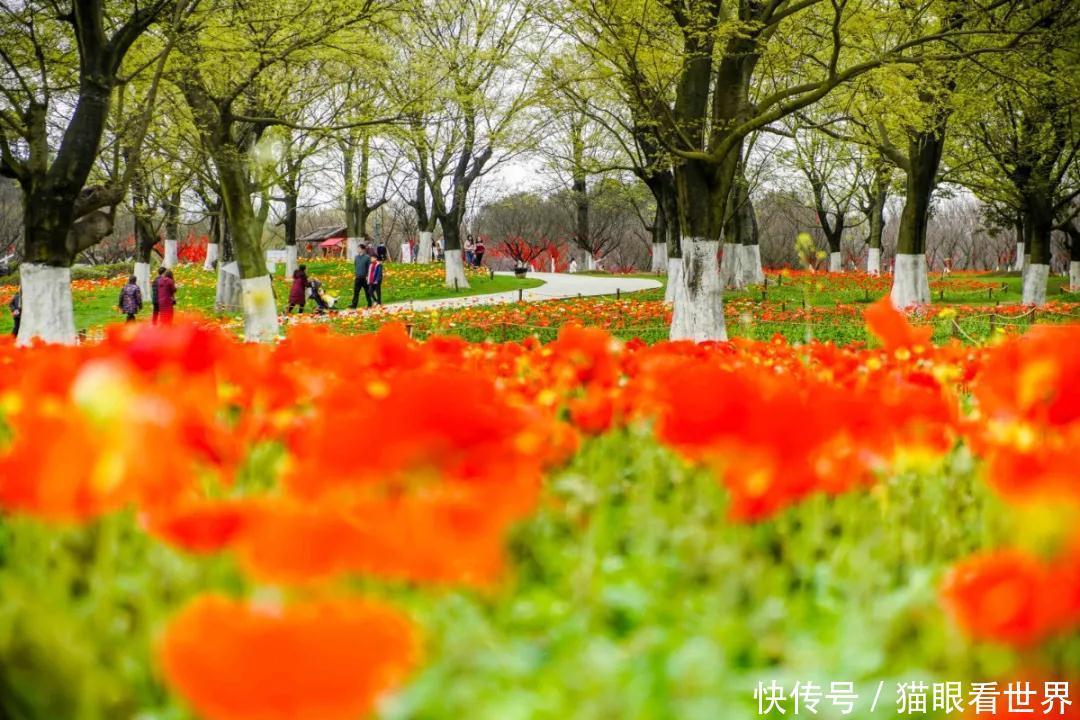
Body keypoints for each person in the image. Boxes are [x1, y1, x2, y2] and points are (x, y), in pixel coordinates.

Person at [351, 242, 372, 309]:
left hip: (365, 278)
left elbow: (369, 268)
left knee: (367, 291)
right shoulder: (356, 257)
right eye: (357, 248)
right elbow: (356, 265)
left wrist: (367, 276)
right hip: (358, 277)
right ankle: (354, 305)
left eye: (359, 248)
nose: (357, 249)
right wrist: (356, 274)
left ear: (363, 249)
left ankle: (369, 303)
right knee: (356, 291)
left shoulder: (367, 257)